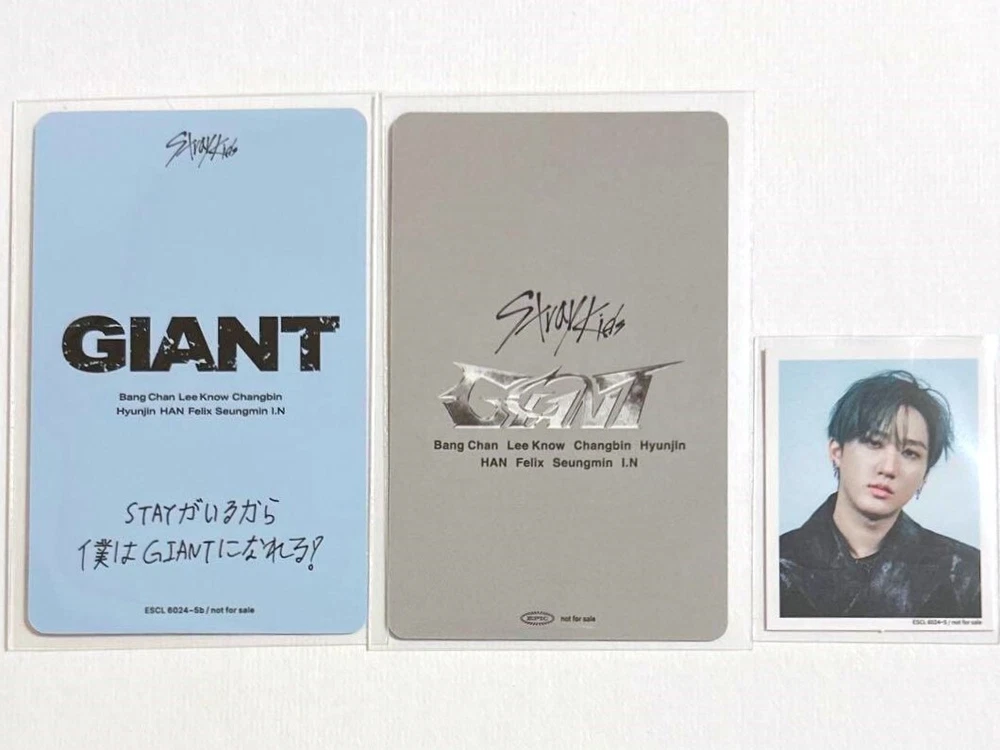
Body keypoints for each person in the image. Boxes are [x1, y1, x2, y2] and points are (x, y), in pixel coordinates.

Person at [779, 370, 981, 618]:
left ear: (925, 475)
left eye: (910, 453)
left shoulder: (967, 574)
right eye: (874, 443)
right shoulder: (773, 564)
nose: (889, 468)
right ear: (837, 451)